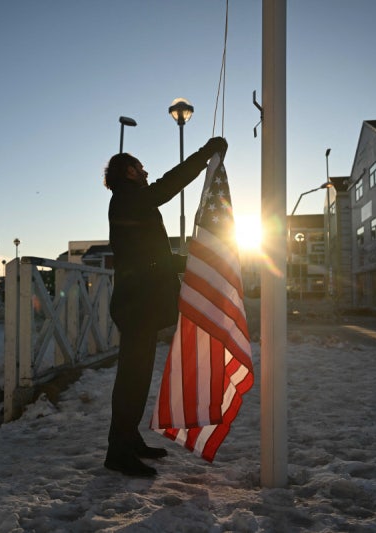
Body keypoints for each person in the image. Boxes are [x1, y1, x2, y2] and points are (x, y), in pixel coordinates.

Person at [102, 136, 228, 477]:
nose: (146, 172)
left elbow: (152, 258)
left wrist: (191, 262)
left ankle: (129, 440)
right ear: (129, 172)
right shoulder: (129, 198)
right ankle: (118, 452)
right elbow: (168, 186)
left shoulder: (131, 201)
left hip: (139, 306)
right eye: (140, 168)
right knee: (131, 380)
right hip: (136, 307)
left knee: (138, 378)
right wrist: (205, 154)